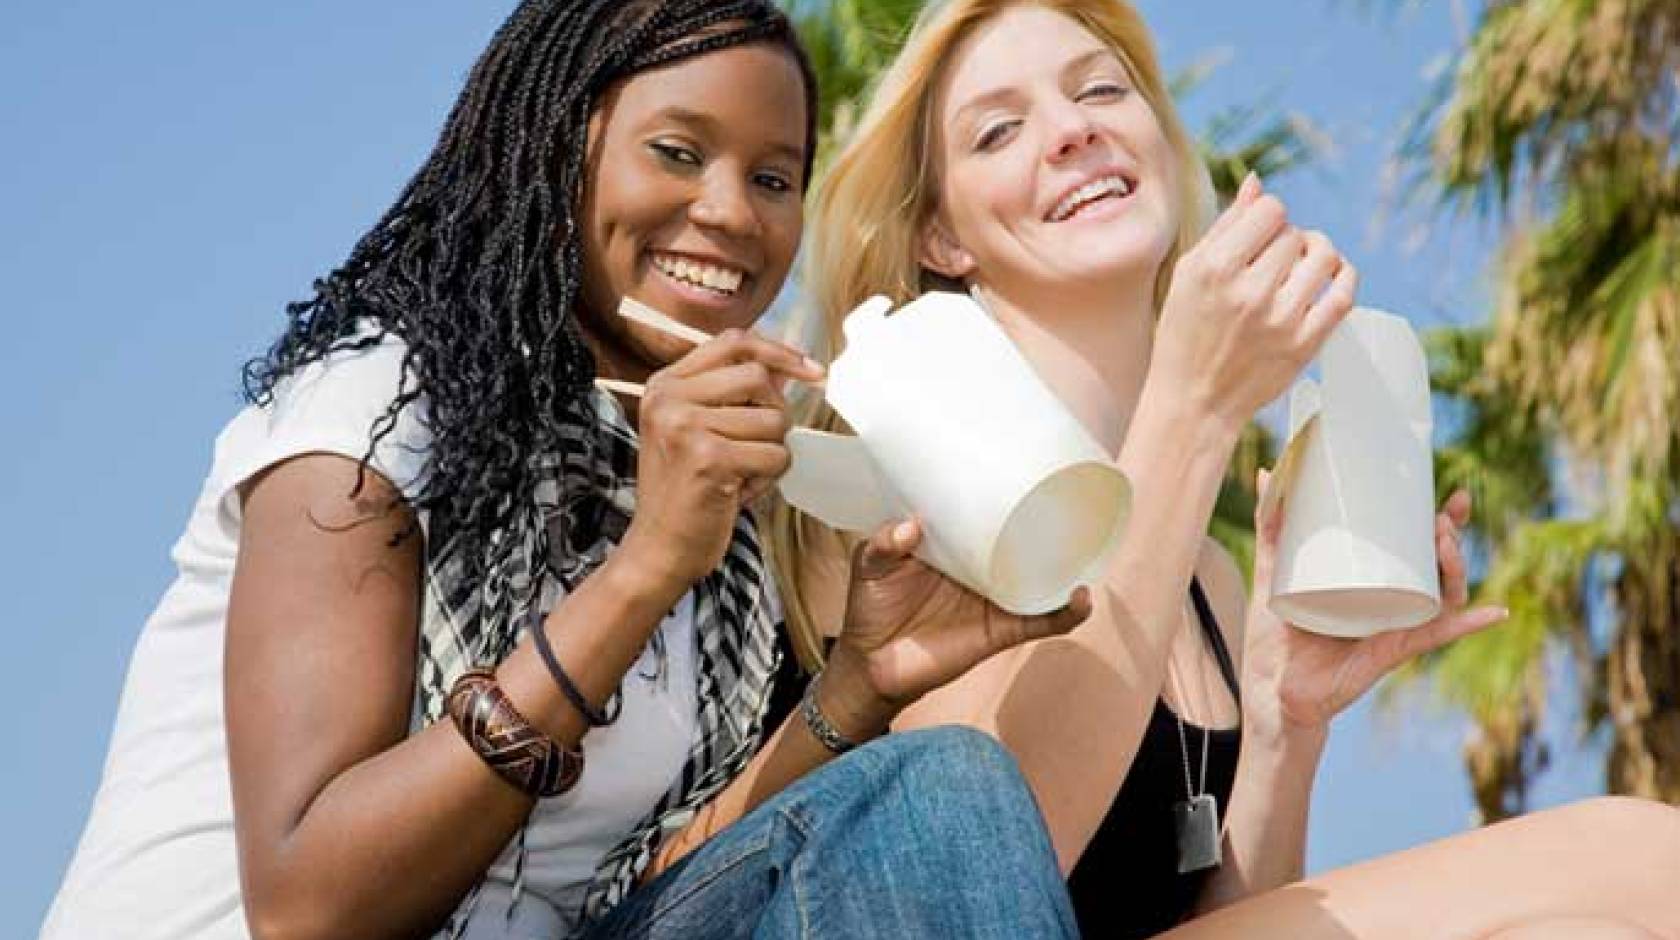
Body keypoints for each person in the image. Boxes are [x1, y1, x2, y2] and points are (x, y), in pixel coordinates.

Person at [41, 2, 1088, 938]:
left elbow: (654, 882)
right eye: (678, 152)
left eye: (773, 178)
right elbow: (310, 906)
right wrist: (642, 571)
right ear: (553, 155)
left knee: (930, 791)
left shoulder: (712, 508)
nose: (732, 211)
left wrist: (858, 688)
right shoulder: (374, 409)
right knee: (944, 788)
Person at [784, 0, 1680, 937]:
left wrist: (1287, 728)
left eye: (1100, 90)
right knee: (1645, 853)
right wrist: (1195, 410)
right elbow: (962, 882)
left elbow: (1229, 914)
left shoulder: (1208, 576)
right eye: (1000, 131)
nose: (1074, 129)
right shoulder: (890, 506)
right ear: (942, 238)